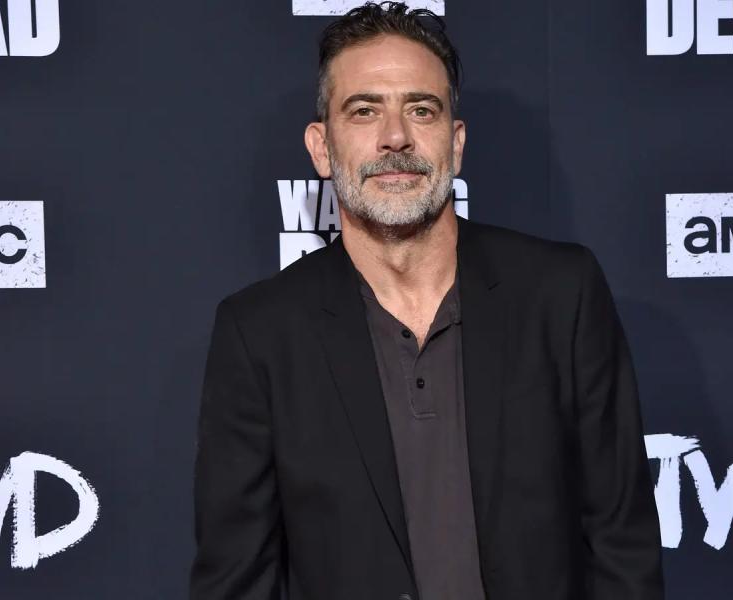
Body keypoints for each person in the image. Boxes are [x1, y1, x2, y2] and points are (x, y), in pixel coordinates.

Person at [189, 3, 664, 599]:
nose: (396, 137)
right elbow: (237, 581)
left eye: (421, 109)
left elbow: (622, 544)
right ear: (321, 148)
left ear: (455, 143)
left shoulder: (561, 294)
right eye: (364, 111)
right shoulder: (260, 333)